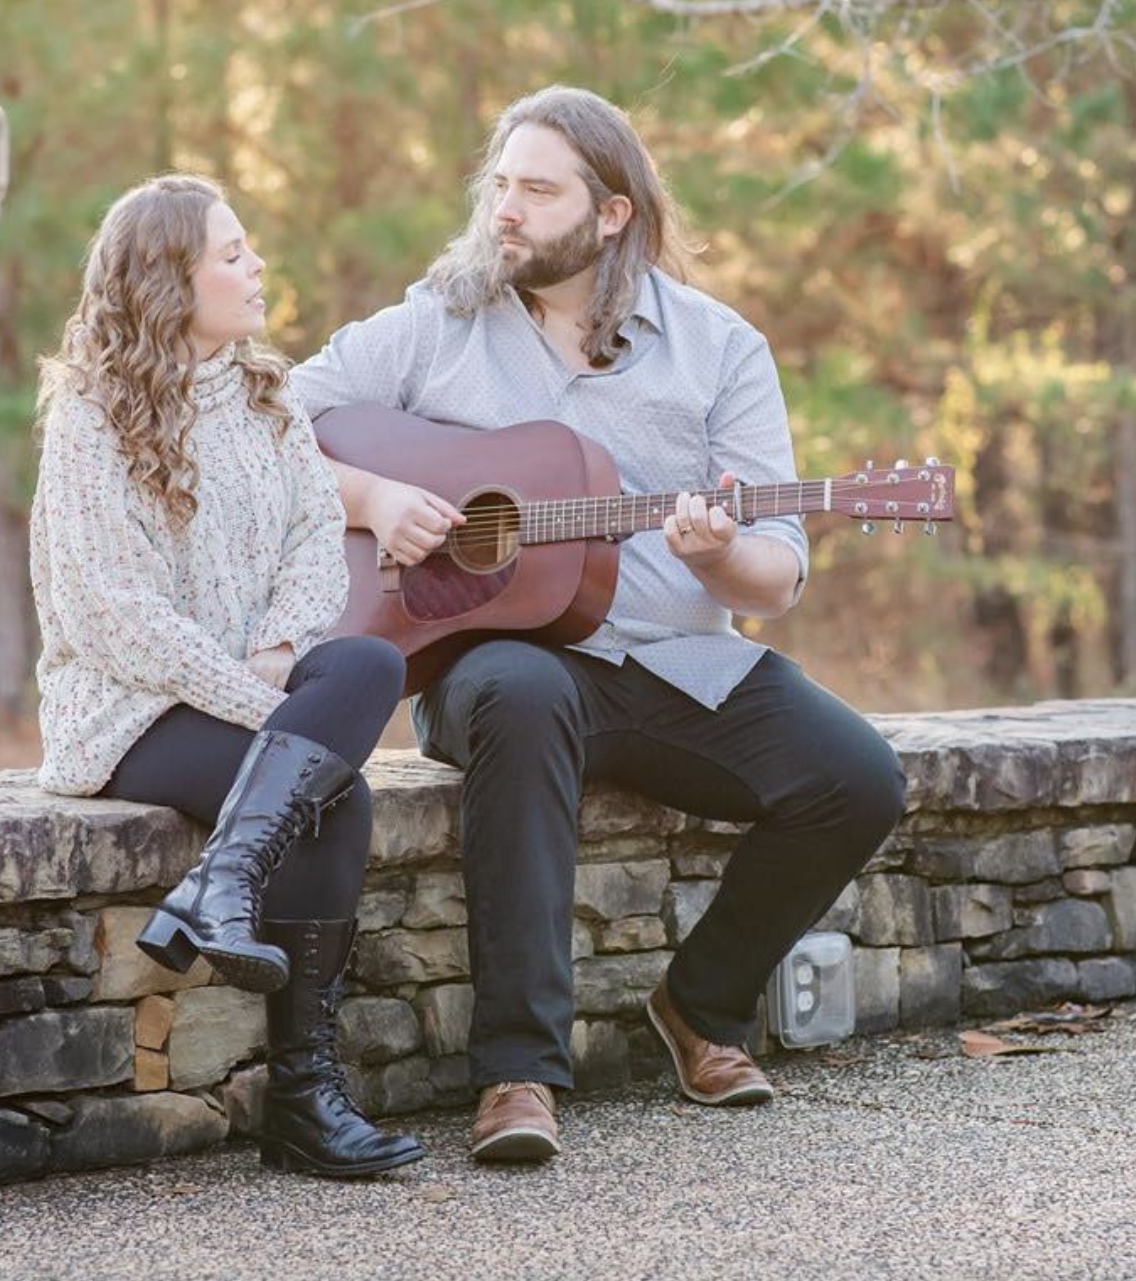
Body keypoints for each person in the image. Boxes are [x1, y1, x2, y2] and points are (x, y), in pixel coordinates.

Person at [290, 87, 907, 1164]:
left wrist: (718, 551)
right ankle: (516, 1072)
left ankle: (701, 1009)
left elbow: (774, 581)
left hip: (673, 661)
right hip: (494, 660)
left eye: (536, 189)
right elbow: (271, 418)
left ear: (610, 213)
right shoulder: (436, 322)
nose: (505, 211)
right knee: (522, 696)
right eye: (499, 186)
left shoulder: (716, 346)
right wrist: (372, 501)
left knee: (858, 777)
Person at [29, 173, 423, 1178]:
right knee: (332, 797)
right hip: (130, 709)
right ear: (172, 278)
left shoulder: (266, 391)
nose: (256, 270)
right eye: (234, 253)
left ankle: (219, 880)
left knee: (369, 659)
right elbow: (114, 615)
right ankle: (303, 1098)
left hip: (262, 684)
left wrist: (287, 654)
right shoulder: (87, 417)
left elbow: (310, 540)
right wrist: (260, 700)